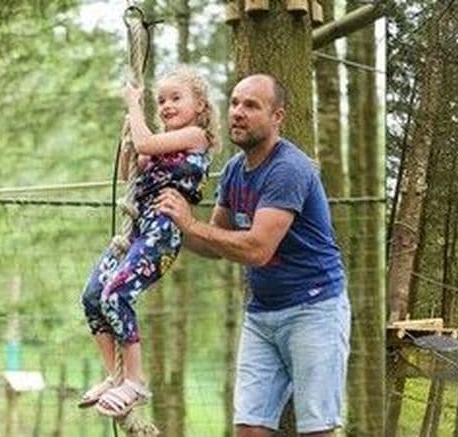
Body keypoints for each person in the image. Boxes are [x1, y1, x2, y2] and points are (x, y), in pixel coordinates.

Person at [155, 73, 350, 437]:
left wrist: (191, 224)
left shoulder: (289, 168)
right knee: (249, 429)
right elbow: (216, 244)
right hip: (262, 313)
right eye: (234, 103)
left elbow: (257, 249)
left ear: (278, 117)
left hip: (314, 309)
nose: (238, 113)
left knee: (317, 430)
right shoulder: (233, 171)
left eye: (251, 105)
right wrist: (167, 224)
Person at [78, 66, 219, 417]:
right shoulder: (158, 145)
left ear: (199, 105)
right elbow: (131, 171)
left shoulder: (195, 137)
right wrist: (128, 142)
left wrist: (133, 106)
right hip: (139, 229)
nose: (166, 106)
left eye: (176, 98)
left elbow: (147, 143)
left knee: (117, 295)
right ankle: (116, 375)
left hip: (162, 232)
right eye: (161, 101)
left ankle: (135, 382)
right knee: (93, 296)